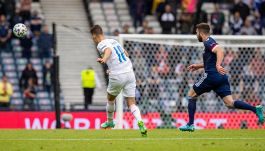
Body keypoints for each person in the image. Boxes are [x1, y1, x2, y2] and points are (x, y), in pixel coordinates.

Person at [179, 23, 264, 132]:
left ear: (200, 33)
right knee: (230, 103)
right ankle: (255, 109)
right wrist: (199, 66)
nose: (196, 35)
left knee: (191, 95)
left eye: (196, 33)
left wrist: (218, 65)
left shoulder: (208, 41)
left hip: (211, 76)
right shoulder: (210, 42)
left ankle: (190, 124)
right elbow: (211, 61)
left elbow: (219, 50)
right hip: (221, 77)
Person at [90, 25, 147, 136]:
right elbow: (126, 54)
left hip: (117, 75)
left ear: (95, 35)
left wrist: (104, 59)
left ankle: (110, 122)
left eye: (93, 37)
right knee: (131, 102)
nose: (93, 40)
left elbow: (108, 50)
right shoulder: (113, 41)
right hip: (130, 73)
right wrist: (112, 66)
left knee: (110, 99)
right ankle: (141, 122)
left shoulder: (101, 44)